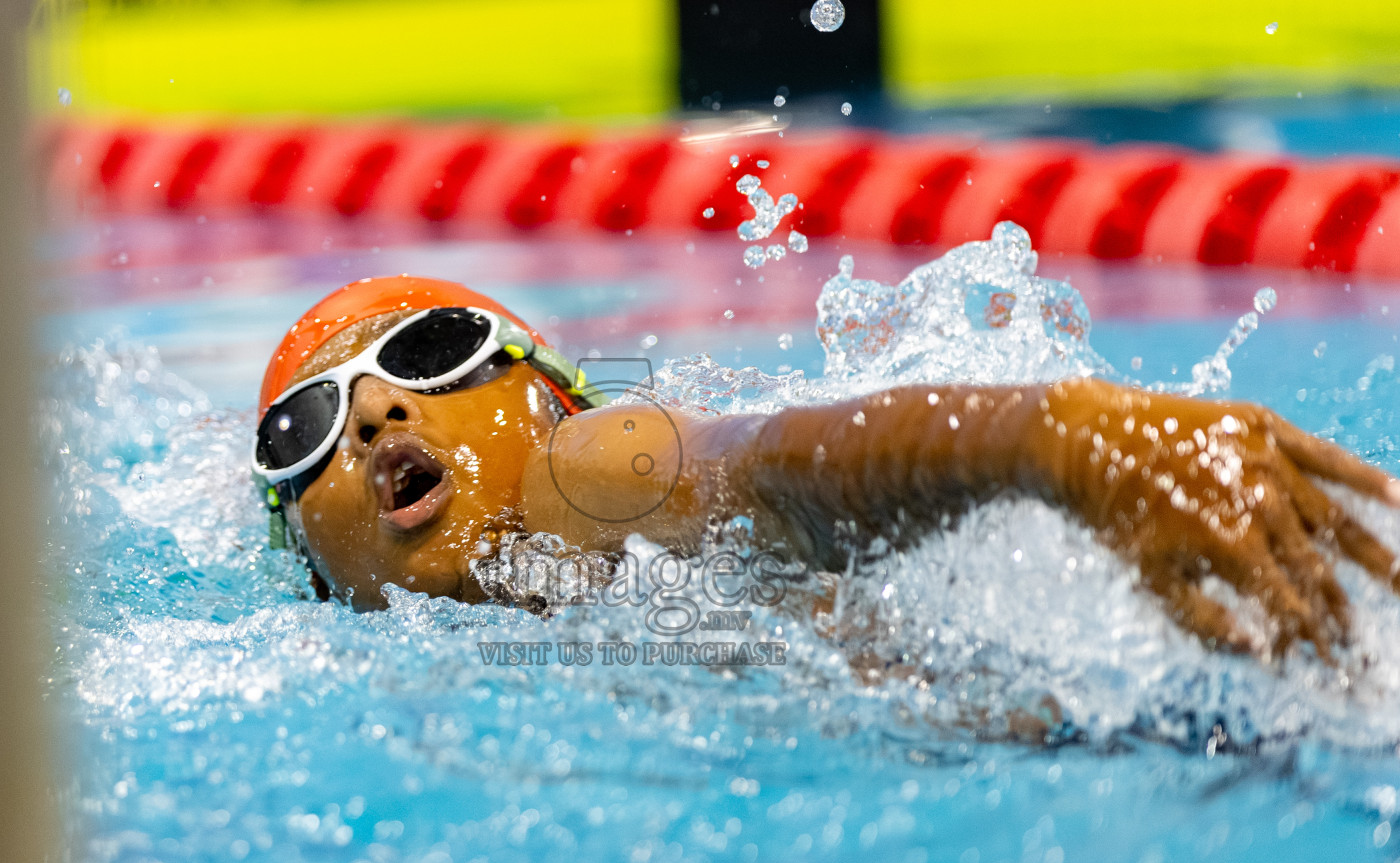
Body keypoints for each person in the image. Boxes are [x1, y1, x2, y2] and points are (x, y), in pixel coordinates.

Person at [255, 275, 1400, 661]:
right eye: (303, 427)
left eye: (430, 350)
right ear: (299, 548)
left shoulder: (582, 470)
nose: (375, 410)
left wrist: (1059, 440)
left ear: (550, 392)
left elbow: (776, 461)